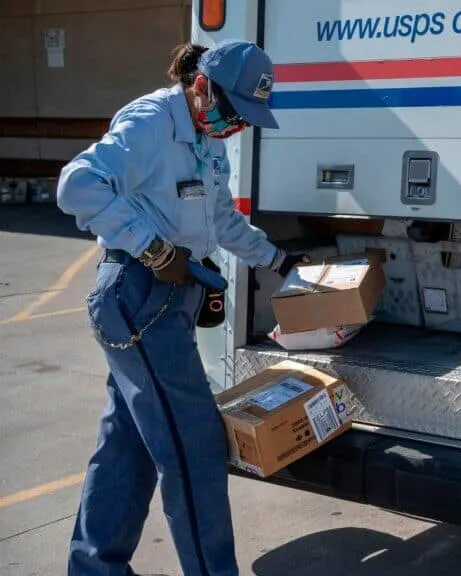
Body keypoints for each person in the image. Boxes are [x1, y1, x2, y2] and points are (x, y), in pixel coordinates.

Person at [57, 39, 307, 576]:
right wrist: (150, 245)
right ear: (201, 86)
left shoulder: (206, 138)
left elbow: (222, 221)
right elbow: (77, 185)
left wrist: (281, 260)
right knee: (194, 447)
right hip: (136, 292)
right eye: (233, 112)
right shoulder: (150, 123)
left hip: (169, 301)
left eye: (245, 120)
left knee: (127, 447)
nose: (235, 126)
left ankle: (93, 568)